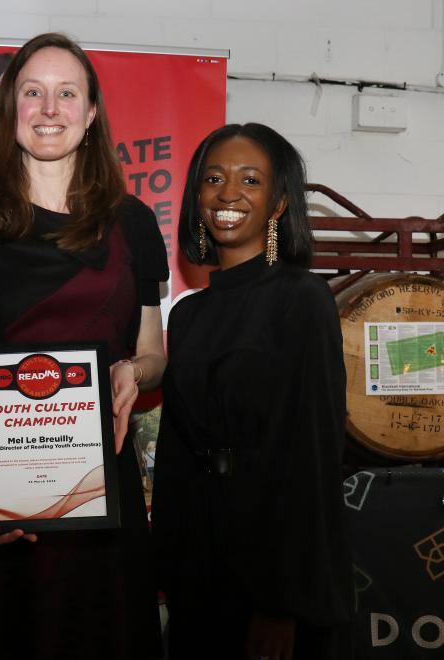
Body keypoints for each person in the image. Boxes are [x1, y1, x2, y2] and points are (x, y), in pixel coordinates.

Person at [0, 33, 169, 659]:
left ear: (91, 113)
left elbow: (153, 352)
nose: (50, 108)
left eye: (67, 94)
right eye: (33, 92)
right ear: (10, 109)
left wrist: (132, 370)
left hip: (100, 495)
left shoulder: (135, 222)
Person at [151, 123, 352, 659]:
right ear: (197, 196)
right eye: (214, 178)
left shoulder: (302, 299)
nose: (228, 194)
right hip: (198, 560)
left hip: (270, 563)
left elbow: (312, 456)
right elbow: (177, 450)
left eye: (251, 180)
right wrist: (165, 566)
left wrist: (282, 602)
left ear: (279, 203)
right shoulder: (188, 315)